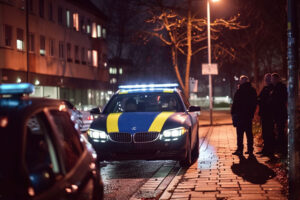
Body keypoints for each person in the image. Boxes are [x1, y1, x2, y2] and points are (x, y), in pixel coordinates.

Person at [231, 75, 257, 155]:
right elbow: (254, 103)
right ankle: (250, 149)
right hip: (248, 116)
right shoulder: (252, 90)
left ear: (243, 81)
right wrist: (252, 113)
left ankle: (240, 149)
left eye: (241, 80)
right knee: (249, 133)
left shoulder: (240, 90)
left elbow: (235, 102)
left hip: (240, 115)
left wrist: (233, 112)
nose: (240, 81)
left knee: (240, 134)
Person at [270, 73, 287, 155]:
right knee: (278, 131)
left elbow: (280, 100)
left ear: (277, 79)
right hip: (277, 113)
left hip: (280, 113)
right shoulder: (275, 88)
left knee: (280, 131)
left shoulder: (280, 88)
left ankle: (282, 150)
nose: (271, 81)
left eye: (273, 79)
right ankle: (279, 149)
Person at [257, 73, 274, 156]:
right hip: (264, 113)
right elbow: (259, 98)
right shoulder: (265, 88)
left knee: (269, 132)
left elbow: (265, 100)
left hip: (269, 114)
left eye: (268, 78)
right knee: (265, 132)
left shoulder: (271, 88)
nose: (266, 80)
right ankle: (265, 149)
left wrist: (261, 100)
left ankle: (269, 151)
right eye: (265, 79)